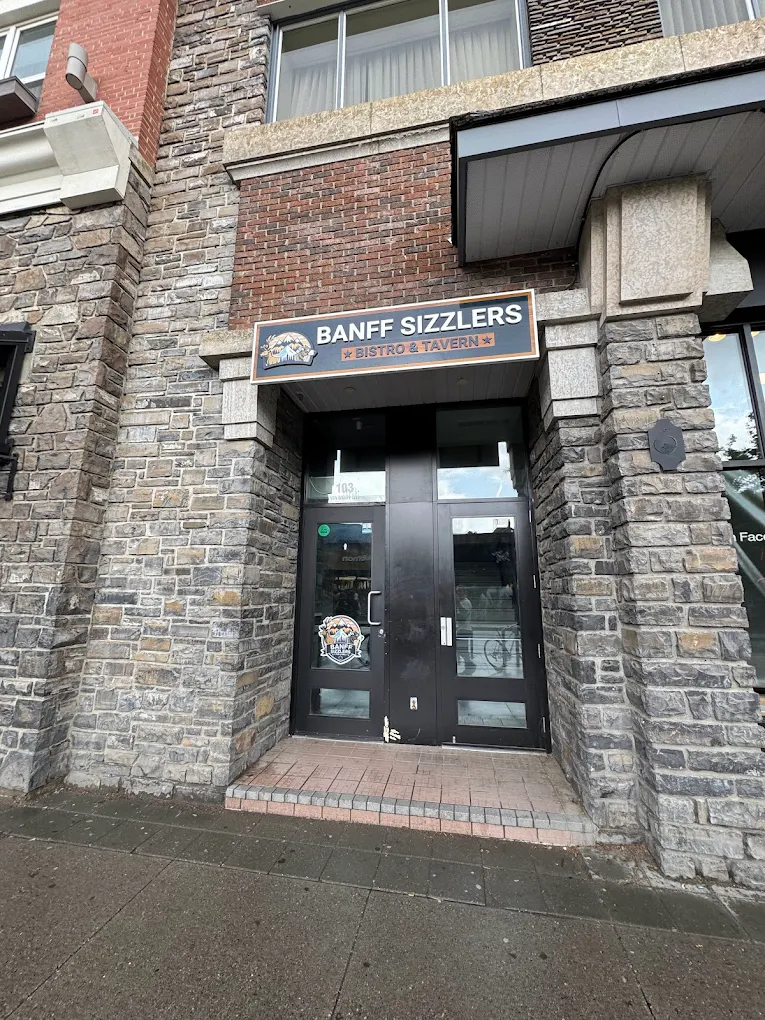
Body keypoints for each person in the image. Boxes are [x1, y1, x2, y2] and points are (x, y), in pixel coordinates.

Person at [455, 586, 475, 674]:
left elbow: (463, 617)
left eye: (459, 592)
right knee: (460, 649)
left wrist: (458, 604)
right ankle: (468, 666)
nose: (458, 594)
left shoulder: (466, 602)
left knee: (462, 649)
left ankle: (470, 665)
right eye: (457, 592)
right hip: (460, 629)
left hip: (465, 629)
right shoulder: (460, 602)